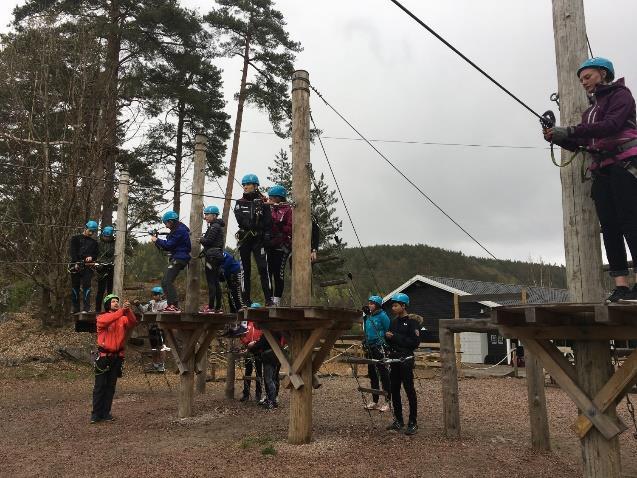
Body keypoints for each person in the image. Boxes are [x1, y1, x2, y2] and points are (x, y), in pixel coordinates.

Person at [543, 57, 637, 302]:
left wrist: (571, 130)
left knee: (631, 221)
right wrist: (557, 137)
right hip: (603, 169)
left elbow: (612, 125)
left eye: (588, 76)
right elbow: (582, 144)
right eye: (582, 79)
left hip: (624, 165)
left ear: (604, 74)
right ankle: (622, 285)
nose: (584, 82)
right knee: (610, 227)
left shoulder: (621, 95)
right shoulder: (589, 112)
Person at [91, 293, 137, 424]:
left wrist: (128, 311)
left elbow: (133, 322)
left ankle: (106, 413)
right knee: (100, 386)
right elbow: (108, 320)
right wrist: (123, 310)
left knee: (111, 386)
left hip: (117, 357)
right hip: (104, 357)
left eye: (117, 301)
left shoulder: (122, 318)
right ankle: (95, 414)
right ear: (107, 305)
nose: (116, 303)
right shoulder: (102, 317)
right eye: (113, 302)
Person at [234, 174, 273, 306]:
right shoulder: (239, 202)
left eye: (248, 184)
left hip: (258, 240)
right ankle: (246, 300)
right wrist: (255, 217)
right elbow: (241, 221)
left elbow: (268, 222)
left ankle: (269, 299)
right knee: (246, 269)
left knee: (263, 268)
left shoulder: (264, 202)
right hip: (245, 239)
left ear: (255, 186)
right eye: (244, 184)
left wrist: (260, 211)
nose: (245, 186)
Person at [385, 293, 420, 436]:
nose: (393, 308)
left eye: (396, 305)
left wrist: (395, 337)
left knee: (409, 390)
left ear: (403, 306)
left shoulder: (412, 322)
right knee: (394, 390)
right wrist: (387, 339)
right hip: (394, 360)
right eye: (392, 305)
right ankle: (398, 420)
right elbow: (391, 341)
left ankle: (413, 422)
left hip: (406, 360)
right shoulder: (393, 322)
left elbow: (414, 342)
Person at [151, 211, 191, 312]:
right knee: (164, 282)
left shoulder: (180, 231)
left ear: (171, 221)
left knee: (168, 281)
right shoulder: (177, 230)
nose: (166, 226)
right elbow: (165, 247)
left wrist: (157, 240)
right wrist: (157, 240)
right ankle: (171, 304)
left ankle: (174, 305)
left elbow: (169, 245)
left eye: (166, 223)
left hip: (180, 258)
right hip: (178, 257)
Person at [362, 295, 392, 413]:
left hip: (379, 347)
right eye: (369, 303)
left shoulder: (383, 316)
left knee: (384, 374)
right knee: (372, 374)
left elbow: (388, 331)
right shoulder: (368, 317)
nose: (369, 305)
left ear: (378, 305)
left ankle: (387, 401)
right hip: (370, 347)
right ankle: (375, 401)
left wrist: (384, 343)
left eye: (372, 303)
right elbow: (366, 331)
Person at [266, 185, 292, 305]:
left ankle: (277, 299)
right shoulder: (270, 209)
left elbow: (290, 227)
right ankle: (269, 299)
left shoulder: (288, 210)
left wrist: (279, 225)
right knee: (268, 272)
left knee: (278, 273)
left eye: (271, 198)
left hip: (282, 246)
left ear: (278, 198)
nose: (269, 200)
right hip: (270, 245)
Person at [69, 220, 99, 313]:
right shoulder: (75, 239)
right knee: (75, 286)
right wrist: (76, 262)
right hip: (76, 265)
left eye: (93, 232)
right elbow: (72, 251)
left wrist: (91, 257)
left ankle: (86, 308)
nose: (91, 233)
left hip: (87, 267)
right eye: (90, 231)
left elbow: (95, 254)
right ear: (85, 228)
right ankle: (75, 308)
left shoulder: (94, 243)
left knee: (87, 286)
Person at [250, 325, 282, 410]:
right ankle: (272, 399)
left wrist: (252, 346)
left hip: (269, 357)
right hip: (275, 356)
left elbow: (261, 344)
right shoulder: (277, 331)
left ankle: (271, 401)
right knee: (272, 379)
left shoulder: (268, 333)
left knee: (269, 380)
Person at [200, 205, 225, 313]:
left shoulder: (214, 226)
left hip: (212, 257)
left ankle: (210, 307)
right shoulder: (216, 226)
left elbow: (208, 241)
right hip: (217, 255)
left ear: (214, 215)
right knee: (215, 282)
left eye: (207, 214)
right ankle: (218, 307)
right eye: (205, 214)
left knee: (211, 282)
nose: (205, 217)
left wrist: (200, 239)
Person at [138, 286, 169, 373]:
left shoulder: (165, 303)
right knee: (154, 346)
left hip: (160, 327)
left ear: (161, 295)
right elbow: (143, 310)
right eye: (153, 294)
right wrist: (138, 305)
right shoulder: (151, 302)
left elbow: (164, 313)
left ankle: (161, 365)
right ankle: (155, 364)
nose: (154, 296)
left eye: (156, 294)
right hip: (152, 326)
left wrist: (152, 312)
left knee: (161, 345)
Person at [239, 303, 264, 403]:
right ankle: (246, 394)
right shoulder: (246, 322)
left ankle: (258, 394)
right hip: (248, 349)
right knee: (248, 371)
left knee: (259, 371)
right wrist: (247, 342)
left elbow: (264, 336)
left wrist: (256, 343)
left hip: (258, 349)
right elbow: (241, 334)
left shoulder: (262, 322)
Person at [95, 226, 115, 313]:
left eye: (108, 236)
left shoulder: (115, 243)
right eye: (105, 236)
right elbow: (96, 255)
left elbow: (116, 254)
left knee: (110, 290)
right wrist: (99, 263)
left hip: (111, 267)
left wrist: (111, 262)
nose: (106, 238)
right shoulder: (98, 243)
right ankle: (98, 309)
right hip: (101, 268)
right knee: (101, 290)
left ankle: (108, 308)